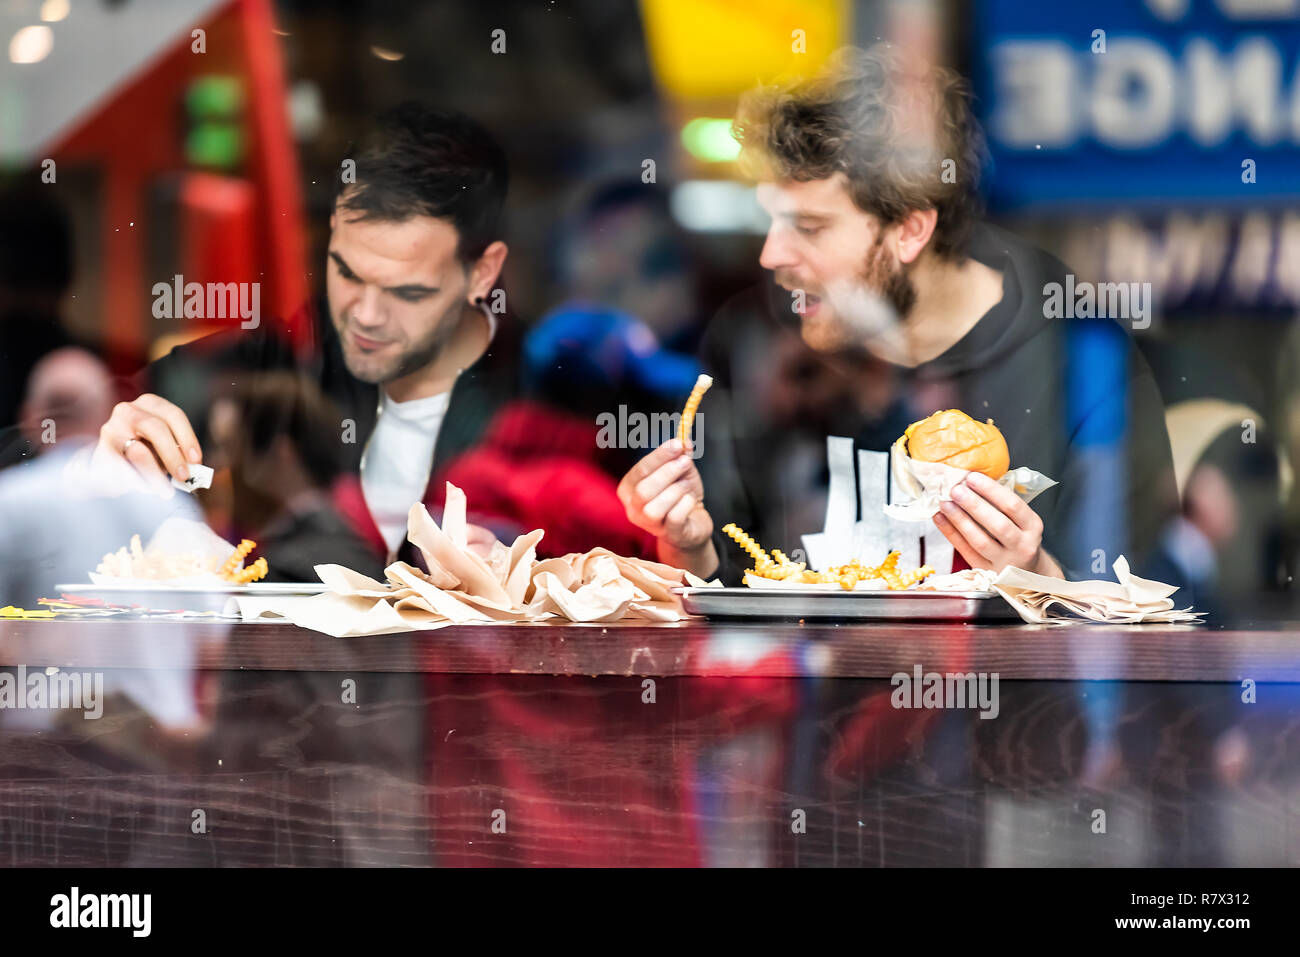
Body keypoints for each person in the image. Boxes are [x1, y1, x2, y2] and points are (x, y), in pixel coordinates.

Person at [618, 45, 1182, 585]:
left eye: (808, 227)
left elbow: (1147, 623)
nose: (770, 255)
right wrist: (689, 549)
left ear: (910, 229)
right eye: (770, 219)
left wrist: (1036, 575)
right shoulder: (764, 350)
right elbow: (747, 611)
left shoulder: (1079, 364)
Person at [85, 103, 644, 568]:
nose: (367, 315)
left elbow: (667, 570)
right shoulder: (261, 365)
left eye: (408, 291)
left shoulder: (567, 399)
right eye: (347, 273)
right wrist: (98, 454)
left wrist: (532, 570)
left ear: (483, 273)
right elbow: (40, 449)